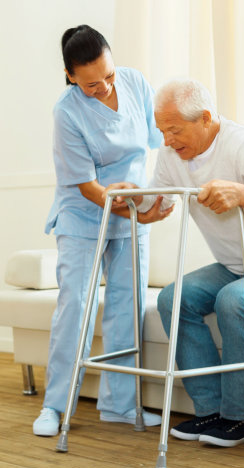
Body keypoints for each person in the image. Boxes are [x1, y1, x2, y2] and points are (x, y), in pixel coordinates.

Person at [109, 78, 244, 448]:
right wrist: (134, 197)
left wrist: (243, 194)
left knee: (234, 300)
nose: (168, 140)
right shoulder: (173, 155)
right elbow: (157, 207)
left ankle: (242, 418)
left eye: (174, 130)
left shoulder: (242, 147)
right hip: (236, 266)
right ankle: (210, 411)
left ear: (205, 118)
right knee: (174, 298)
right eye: (162, 131)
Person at [33, 25, 173, 437]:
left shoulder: (134, 82)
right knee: (75, 308)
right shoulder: (67, 111)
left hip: (130, 210)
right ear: (70, 75)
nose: (105, 86)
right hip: (84, 216)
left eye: (108, 75)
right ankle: (55, 407)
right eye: (92, 82)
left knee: (127, 309)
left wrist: (150, 202)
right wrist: (135, 214)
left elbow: (155, 140)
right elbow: (87, 186)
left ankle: (120, 406)